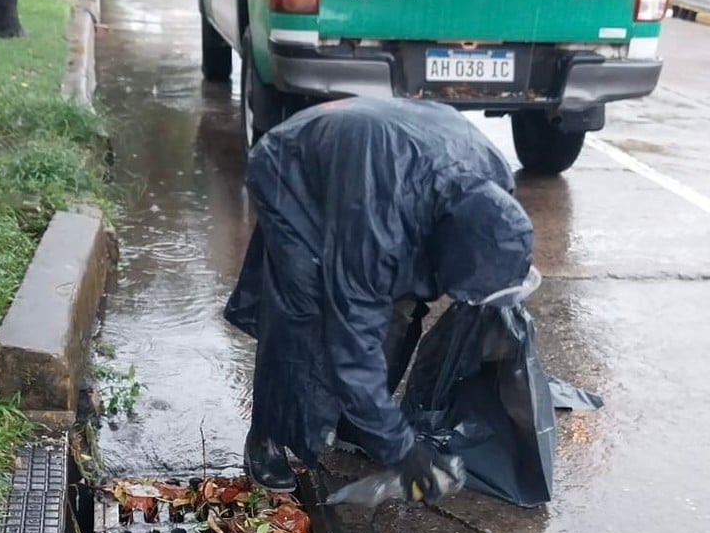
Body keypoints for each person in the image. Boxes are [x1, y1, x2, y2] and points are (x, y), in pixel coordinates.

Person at [224, 97, 533, 504]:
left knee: (400, 310)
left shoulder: (495, 189)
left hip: (378, 162)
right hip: (295, 171)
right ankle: (268, 435)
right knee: (301, 311)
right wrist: (404, 452)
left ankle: (361, 421)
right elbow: (351, 348)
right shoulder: (376, 234)